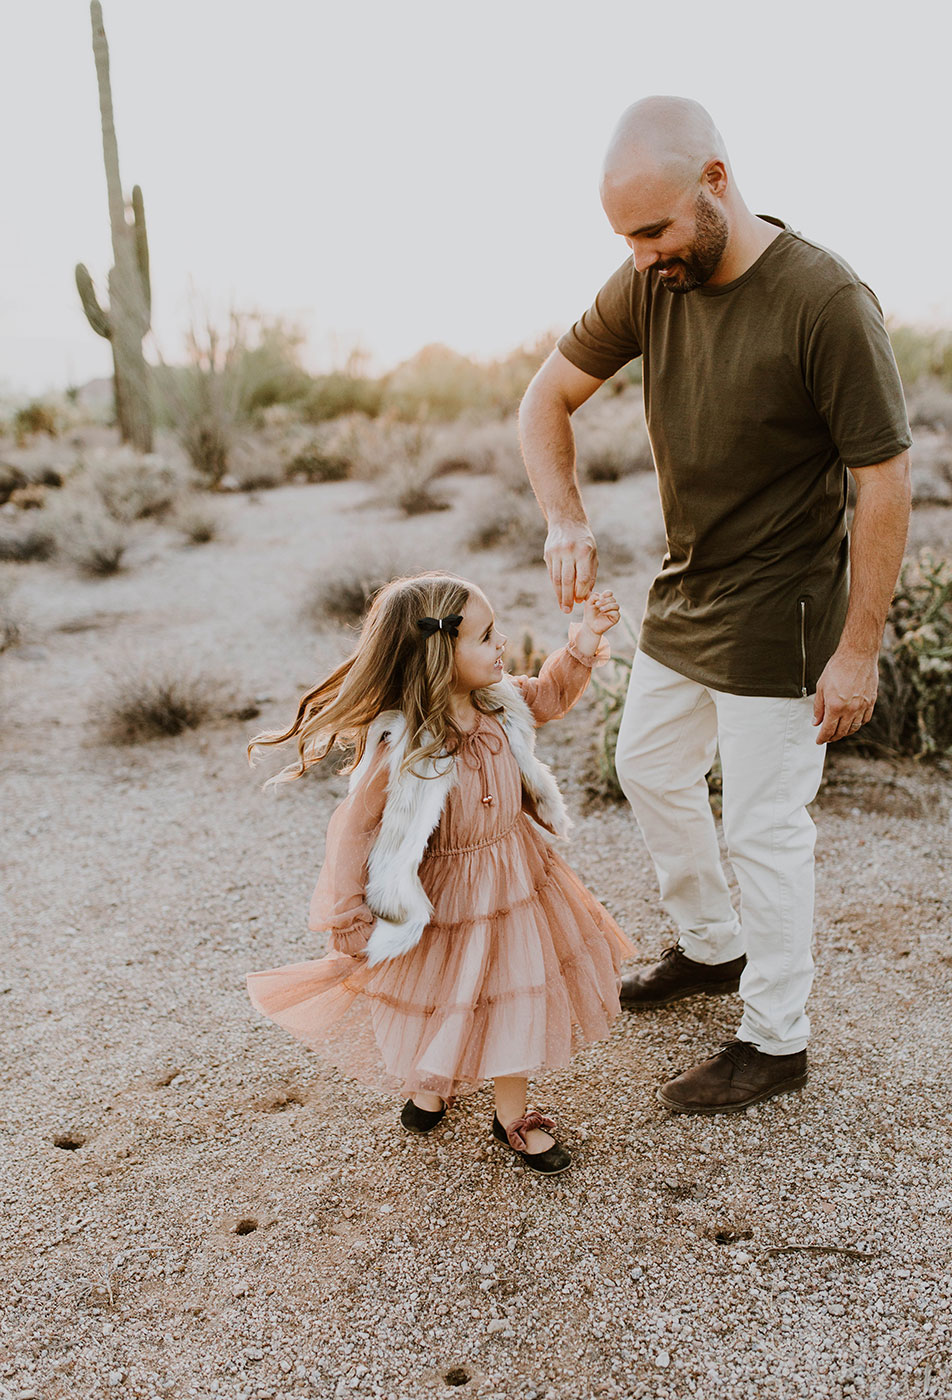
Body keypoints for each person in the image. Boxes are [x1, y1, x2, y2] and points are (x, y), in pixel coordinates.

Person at [518, 96, 912, 1114]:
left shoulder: (825, 300)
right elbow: (543, 400)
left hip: (783, 611)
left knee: (765, 829)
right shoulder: (652, 280)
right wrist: (564, 518)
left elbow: (884, 480)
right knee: (645, 762)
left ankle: (776, 1039)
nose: (642, 254)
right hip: (688, 590)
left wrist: (857, 650)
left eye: (652, 229)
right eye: (625, 236)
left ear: (717, 185)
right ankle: (711, 945)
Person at [246, 572, 634, 1174]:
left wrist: (585, 639)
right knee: (446, 994)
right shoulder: (405, 744)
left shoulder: (500, 703)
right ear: (439, 654)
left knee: (514, 989)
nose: (502, 644)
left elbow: (552, 695)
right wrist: (350, 912)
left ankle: (512, 1114)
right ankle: (433, 1083)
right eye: (485, 637)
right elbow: (353, 830)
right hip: (445, 895)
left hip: (517, 878)